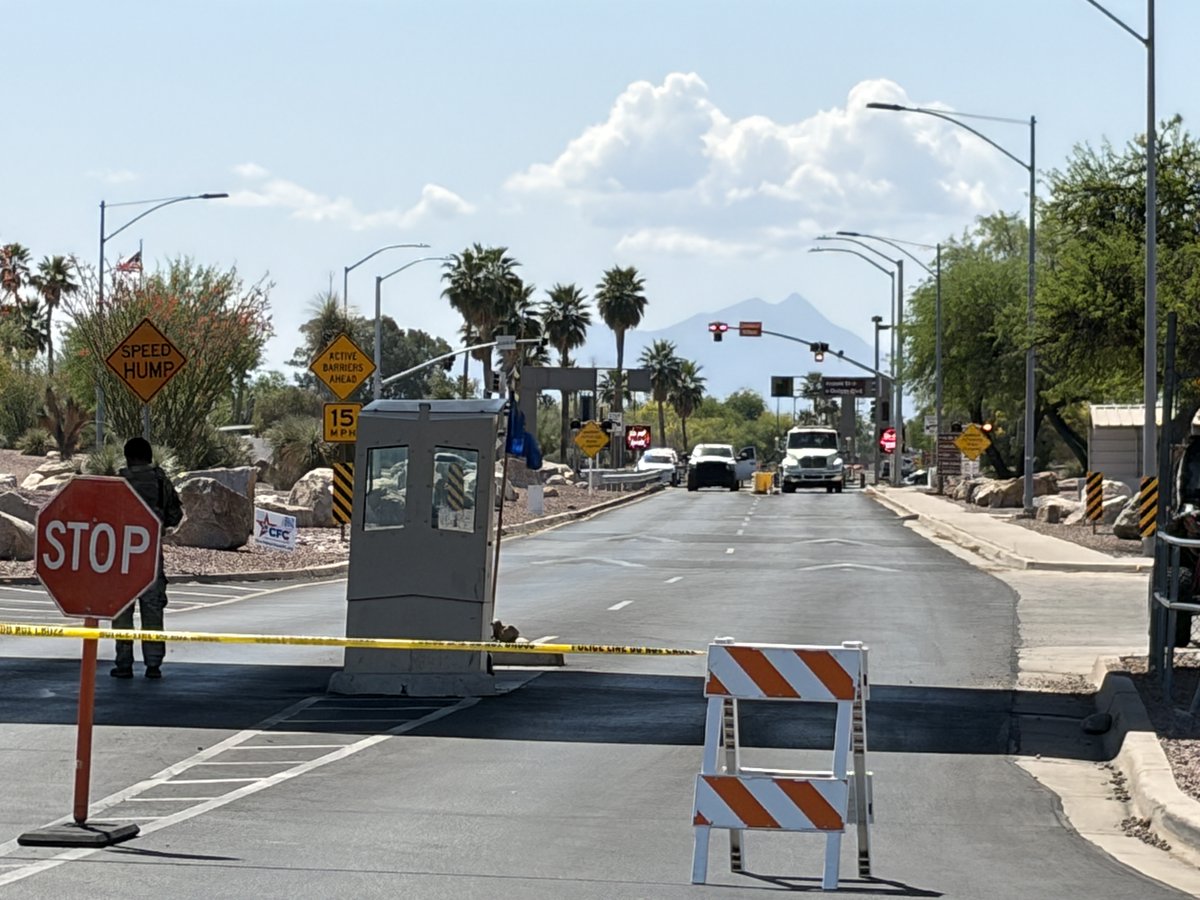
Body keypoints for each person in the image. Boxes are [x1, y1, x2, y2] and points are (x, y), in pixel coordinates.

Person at [111, 437, 184, 679]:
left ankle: (123, 663)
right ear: (149, 457)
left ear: (128, 457)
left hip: (120, 558)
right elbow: (175, 515)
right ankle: (153, 664)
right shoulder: (160, 481)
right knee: (152, 611)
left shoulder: (117, 483)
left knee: (122, 611)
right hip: (150, 558)